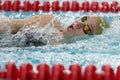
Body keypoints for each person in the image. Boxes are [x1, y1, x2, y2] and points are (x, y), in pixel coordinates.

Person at [0, 14, 110, 46]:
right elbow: (7, 25)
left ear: (89, 39)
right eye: (84, 19)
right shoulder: (48, 22)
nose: (78, 24)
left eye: (87, 28)